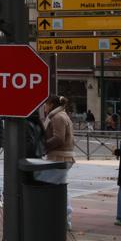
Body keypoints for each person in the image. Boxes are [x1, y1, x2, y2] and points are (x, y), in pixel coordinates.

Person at [40, 95, 75, 228]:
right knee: (59, 187)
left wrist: (43, 145)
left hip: (59, 157)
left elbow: (59, 138)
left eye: (46, 104)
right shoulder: (61, 115)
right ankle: (63, 219)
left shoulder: (57, 117)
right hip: (62, 156)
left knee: (58, 188)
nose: (44, 107)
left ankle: (64, 219)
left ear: (51, 105)